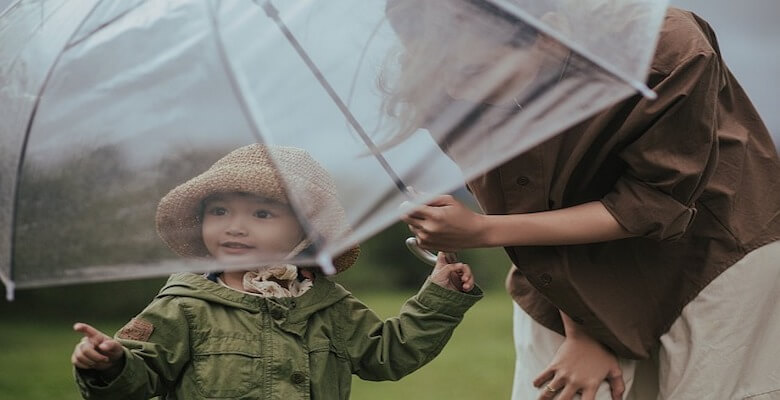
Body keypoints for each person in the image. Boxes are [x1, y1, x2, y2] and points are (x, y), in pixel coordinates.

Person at [385, 1, 780, 399]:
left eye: (475, 71)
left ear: (548, 34)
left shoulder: (666, 47)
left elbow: (655, 200)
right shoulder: (441, 85)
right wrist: (580, 326)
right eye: (440, 69)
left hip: (708, 247)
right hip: (553, 259)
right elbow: (520, 201)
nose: (459, 90)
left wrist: (480, 231)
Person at [70, 143, 482, 400]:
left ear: (307, 231)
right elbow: (143, 376)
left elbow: (386, 355)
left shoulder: (328, 305)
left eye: (262, 213)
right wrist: (111, 365)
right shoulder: (184, 305)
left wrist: (439, 298)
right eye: (219, 211)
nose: (234, 225)